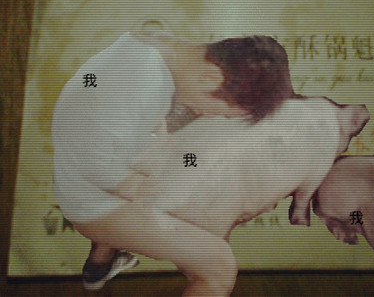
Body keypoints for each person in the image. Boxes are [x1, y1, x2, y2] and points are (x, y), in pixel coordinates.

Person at [51, 30, 294, 295]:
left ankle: (99, 265)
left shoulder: (161, 49)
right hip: (91, 198)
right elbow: (102, 171)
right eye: (220, 112)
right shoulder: (138, 84)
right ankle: (104, 253)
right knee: (219, 265)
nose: (210, 115)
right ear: (210, 77)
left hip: (103, 167)